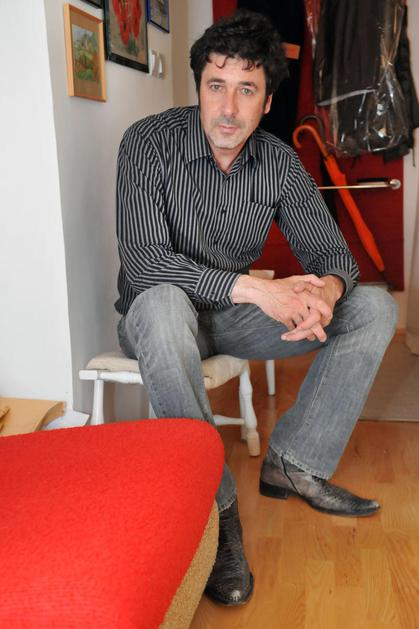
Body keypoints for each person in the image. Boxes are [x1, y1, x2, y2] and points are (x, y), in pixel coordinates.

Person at [115, 10, 397, 606]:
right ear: (198, 88)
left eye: (246, 90)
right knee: (163, 304)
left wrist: (326, 291)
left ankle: (293, 463)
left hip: (231, 320)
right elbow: (145, 265)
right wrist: (261, 290)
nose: (227, 107)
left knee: (372, 307)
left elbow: (331, 254)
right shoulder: (146, 143)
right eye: (216, 85)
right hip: (159, 320)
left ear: (267, 103)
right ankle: (215, 511)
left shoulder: (278, 162)